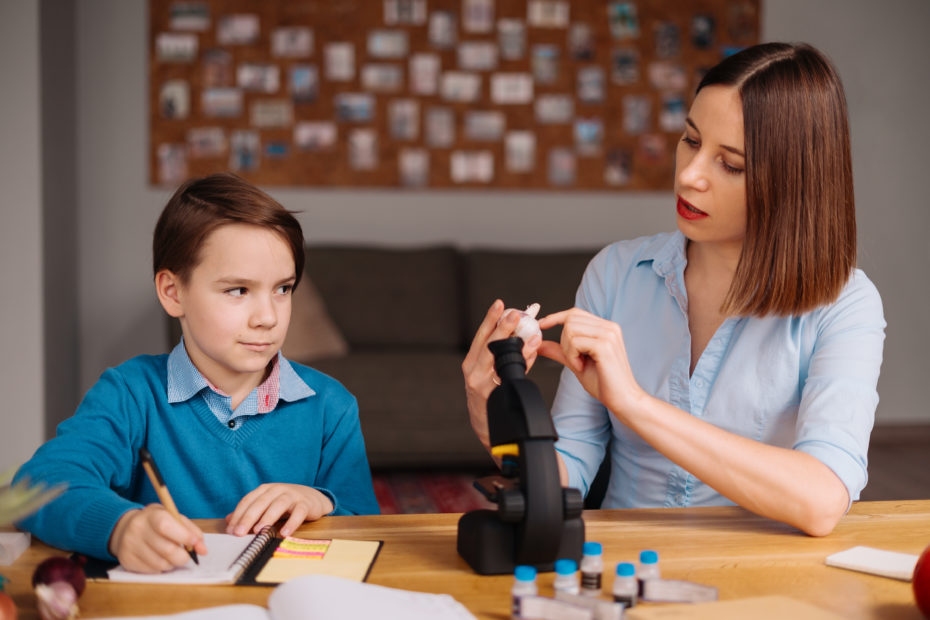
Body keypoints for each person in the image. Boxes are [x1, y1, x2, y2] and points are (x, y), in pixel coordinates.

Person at [463, 42, 885, 537]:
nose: (688, 176)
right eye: (690, 139)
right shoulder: (616, 273)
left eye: (730, 165)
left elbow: (820, 499)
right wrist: (490, 407)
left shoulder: (845, 304)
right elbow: (563, 478)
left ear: (794, 183)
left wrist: (635, 403)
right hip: (622, 563)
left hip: (763, 573)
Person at [15, 173, 379, 572]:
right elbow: (39, 486)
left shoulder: (332, 406)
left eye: (283, 288)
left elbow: (368, 528)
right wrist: (120, 527)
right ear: (173, 293)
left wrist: (321, 502)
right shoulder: (130, 394)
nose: (268, 317)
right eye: (238, 290)